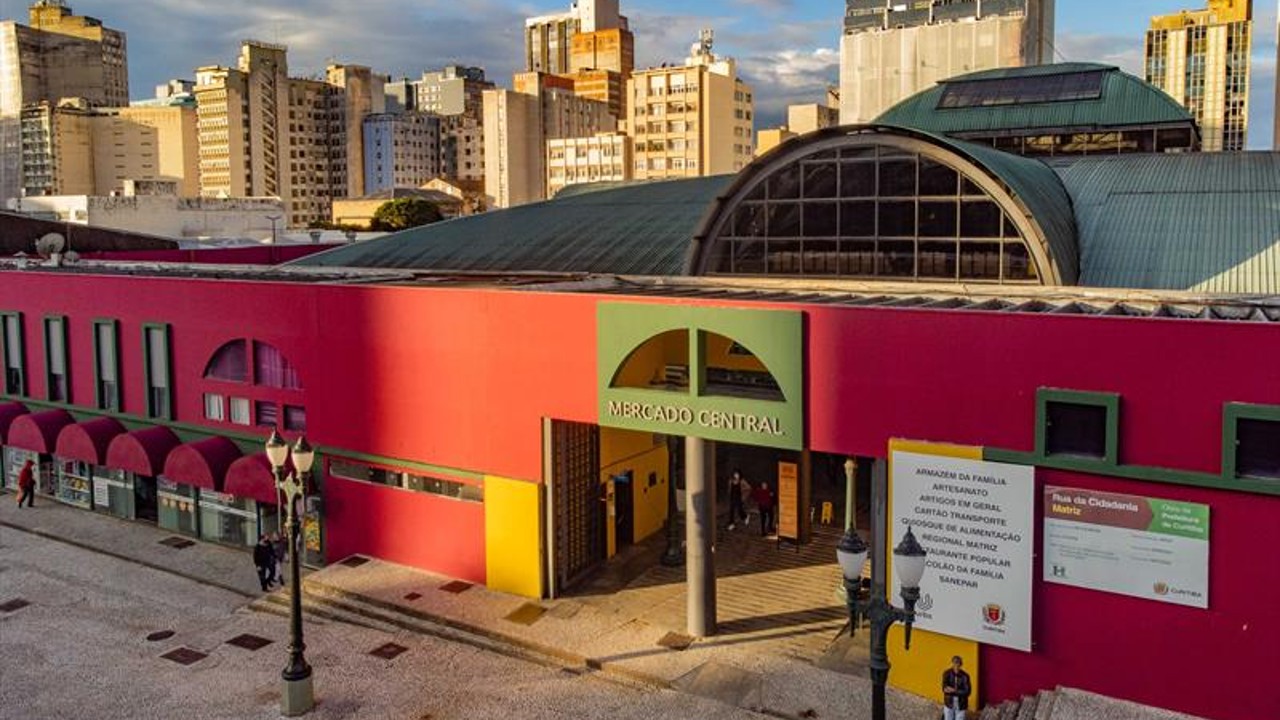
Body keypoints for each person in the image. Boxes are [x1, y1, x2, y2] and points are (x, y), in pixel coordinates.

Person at [942, 655, 972, 720]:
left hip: (961, 703)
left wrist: (954, 691)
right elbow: (944, 688)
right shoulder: (947, 673)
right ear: (952, 663)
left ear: (961, 664)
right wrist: (959, 691)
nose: (956, 665)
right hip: (949, 702)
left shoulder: (965, 676)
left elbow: (967, 691)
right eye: (955, 663)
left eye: (958, 663)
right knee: (948, 718)